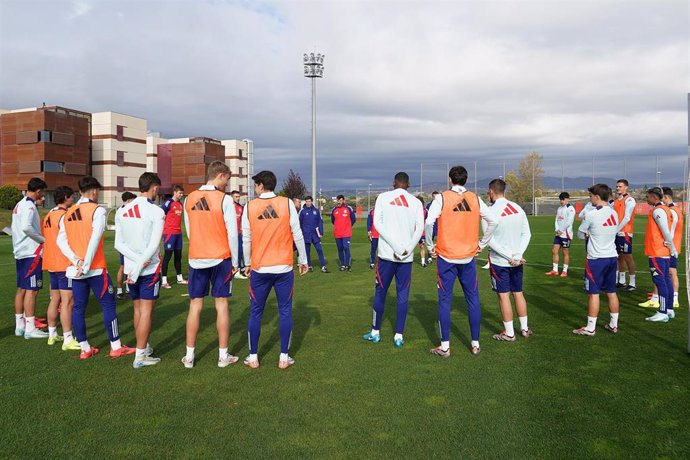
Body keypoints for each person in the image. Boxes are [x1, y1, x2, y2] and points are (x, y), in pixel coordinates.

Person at [57, 176, 134, 359]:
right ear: (93, 191)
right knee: (108, 305)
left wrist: (76, 261)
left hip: (76, 269)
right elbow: (95, 238)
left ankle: (85, 348)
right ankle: (115, 346)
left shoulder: (67, 212)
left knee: (78, 308)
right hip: (95, 269)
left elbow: (61, 241)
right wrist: (86, 263)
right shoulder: (97, 210)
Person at [425, 166, 497, 357]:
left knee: (444, 301)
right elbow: (493, 221)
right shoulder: (475, 198)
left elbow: (428, 222)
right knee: (473, 300)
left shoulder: (441, 198)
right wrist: (482, 243)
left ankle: (445, 346)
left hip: (446, 257)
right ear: (466, 180)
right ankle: (475, 344)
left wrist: (430, 245)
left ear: (450, 179)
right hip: (467, 258)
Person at [242, 170, 309, 369]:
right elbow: (297, 233)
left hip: (260, 268)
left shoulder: (249, 207)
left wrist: (247, 262)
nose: (255, 189)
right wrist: (303, 260)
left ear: (262, 185)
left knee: (256, 312)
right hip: (283, 267)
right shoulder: (287, 203)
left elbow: (246, 238)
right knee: (285, 311)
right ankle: (283, 358)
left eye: (255, 185)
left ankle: (253, 357)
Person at [181, 161, 239, 368]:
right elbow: (232, 233)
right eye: (227, 179)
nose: (227, 184)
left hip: (197, 257)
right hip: (220, 257)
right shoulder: (224, 199)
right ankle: (223, 357)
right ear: (221, 175)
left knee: (195, 306)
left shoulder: (189, 198)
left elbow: (189, 230)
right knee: (221, 305)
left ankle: (189, 356)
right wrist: (236, 260)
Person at [361, 172, 424, 348]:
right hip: (406, 257)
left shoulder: (383, 197)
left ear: (394, 183)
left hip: (387, 255)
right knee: (403, 295)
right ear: (408, 184)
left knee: (380, 292)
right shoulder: (416, 202)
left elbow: (377, 224)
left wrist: (395, 247)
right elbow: (420, 229)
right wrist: (407, 249)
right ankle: (398, 335)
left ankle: (375, 332)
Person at [115, 172, 165, 368]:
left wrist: (135, 262)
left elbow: (119, 244)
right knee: (146, 311)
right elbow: (154, 244)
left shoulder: (123, 210)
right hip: (149, 268)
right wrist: (142, 261)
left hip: (131, 268)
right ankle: (141, 356)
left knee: (137, 309)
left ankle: (142, 347)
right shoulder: (156, 211)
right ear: (154, 187)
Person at [484, 179, 532, 341]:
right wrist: (518, 255)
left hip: (500, 262)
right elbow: (527, 234)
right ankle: (524, 329)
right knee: (518, 293)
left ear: (491, 191)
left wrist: (509, 256)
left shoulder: (489, 212)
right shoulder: (517, 208)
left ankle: (510, 333)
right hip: (517, 261)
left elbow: (489, 240)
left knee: (503, 296)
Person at [572, 184, 620, 336]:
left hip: (596, 259)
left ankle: (590, 327)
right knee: (611, 292)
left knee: (594, 293)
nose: (590, 199)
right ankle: (613, 325)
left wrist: (587, 234)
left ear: (597, 197)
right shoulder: (614, 213)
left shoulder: (592, 214)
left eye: (591, 196)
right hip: (612, 257)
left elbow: (580, 234)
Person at [41, 185, 80, 349]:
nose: (73, 199)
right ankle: (68, 338)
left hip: (51, 262)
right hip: (63, 263)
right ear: (65, 197)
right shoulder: (64, 216)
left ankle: (52, 335)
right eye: (71, 197)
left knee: (55, 299)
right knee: (67, 302)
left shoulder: (49, 214)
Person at [12, 177, 48, 339]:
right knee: (32, 291)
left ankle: (20, 325)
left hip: (21, 251)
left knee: (22, 289)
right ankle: (30, 328)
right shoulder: (29, 206)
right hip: (31, 252)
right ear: (39, 191)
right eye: (43, 193)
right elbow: (26, 227)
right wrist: (43, 240)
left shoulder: (19, 204)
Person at [640, 187, 683, 311]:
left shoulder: (658, 211)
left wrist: (672, 246)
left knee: (661, 281)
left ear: (654, 197)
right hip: (662, 251)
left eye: (648, 197)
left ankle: (663, 311)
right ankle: (668, 309)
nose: (646, 199)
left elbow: (666, 231)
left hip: (657, 251)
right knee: (665, 280)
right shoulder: (665, 209)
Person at [161, 185, 187, 288]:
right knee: (167, 257)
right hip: (169, 233)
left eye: (182, 193)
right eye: (180, 193)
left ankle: (179, 278)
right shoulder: (168, 203)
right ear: (175, 192)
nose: (181, 195)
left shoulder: (180, 204)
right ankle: (164, 281)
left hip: (178, 234)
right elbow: (161, 214)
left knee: (178, 256)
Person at [613, 179, 637, 291]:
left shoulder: (630, 200)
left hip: (625, 232)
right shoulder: (617, 200)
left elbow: (627, 217)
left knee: (628, 256)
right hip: (617, 232)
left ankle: (632, 283)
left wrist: (617, 229)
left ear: (626, 187)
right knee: (619, 257)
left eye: (620, 186)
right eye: (617, 186)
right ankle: (621, 281)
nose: (618, 188)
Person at [545, 192, 575, 277]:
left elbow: (569, 222)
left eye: (563, 199)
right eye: (560, 199)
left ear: (567, 199)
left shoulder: (571, 209)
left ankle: (565, 271)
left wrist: (561, 230)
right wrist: (557, 229)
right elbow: (556, 220)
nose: (561, 201)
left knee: (565, 252)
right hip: (558, 234)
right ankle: (555, 270)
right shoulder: (559, 208)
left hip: (566, 234)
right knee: (554, 251)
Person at [299, 196, 329, 272]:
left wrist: (321, 232)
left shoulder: (316, 211)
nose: (308, 203)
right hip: (306, 235)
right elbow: (300, 224)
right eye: (306, 201)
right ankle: (309, 266)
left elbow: (320, 222)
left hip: (315, 235)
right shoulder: (302, 212)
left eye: (309, 201)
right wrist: (301, 233)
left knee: (319, 249)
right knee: (307, 251)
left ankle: (323, 266)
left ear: (312, 202)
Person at [116, 192, 136, 299]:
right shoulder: (124, 211)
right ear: (128, 200)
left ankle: (127, 288)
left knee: (127, 266)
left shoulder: (120, 210)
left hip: (124, 243)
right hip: (125, 243)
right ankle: (120, 290)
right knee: (123, 267)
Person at [331, 195, 356, 271]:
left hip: (346, 233)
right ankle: (342, 265)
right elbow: (333, 220)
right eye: (339, 200)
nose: (340, 201)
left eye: (341, 200)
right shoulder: (334, 210)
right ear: (337, 201)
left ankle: (348, 265)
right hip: (337, 233)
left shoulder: (348, 208)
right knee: (340, 249)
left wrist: (348, 226)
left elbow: (353, 219)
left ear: (344, 200)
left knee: (346, 247)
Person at [230, 190, 247, 279]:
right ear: (232, 197)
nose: (238, 198)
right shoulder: (228, 207)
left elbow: (243, 220)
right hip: (230, 234)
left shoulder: (241, 207)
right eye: (236, 197)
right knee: (230, 252)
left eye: (238, 196)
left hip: (239, 233)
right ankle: (232, 270)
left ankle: (238, 270)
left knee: (240, 251)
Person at [425, 191, 440, 265]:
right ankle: (430, 256)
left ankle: (440, 255)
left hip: (439, 225)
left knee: (440, 241)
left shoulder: (440, 204)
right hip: (432, 225)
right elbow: (427, 217)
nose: (435, 198)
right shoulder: (429, 205)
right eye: (434, 196)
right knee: (430, 240)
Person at [417, 196, 429, 267]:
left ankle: (423, 262)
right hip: (412, 231)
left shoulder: (425, 211)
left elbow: (428, 220)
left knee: (422, 246)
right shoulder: (412, 210)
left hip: (421, 232)